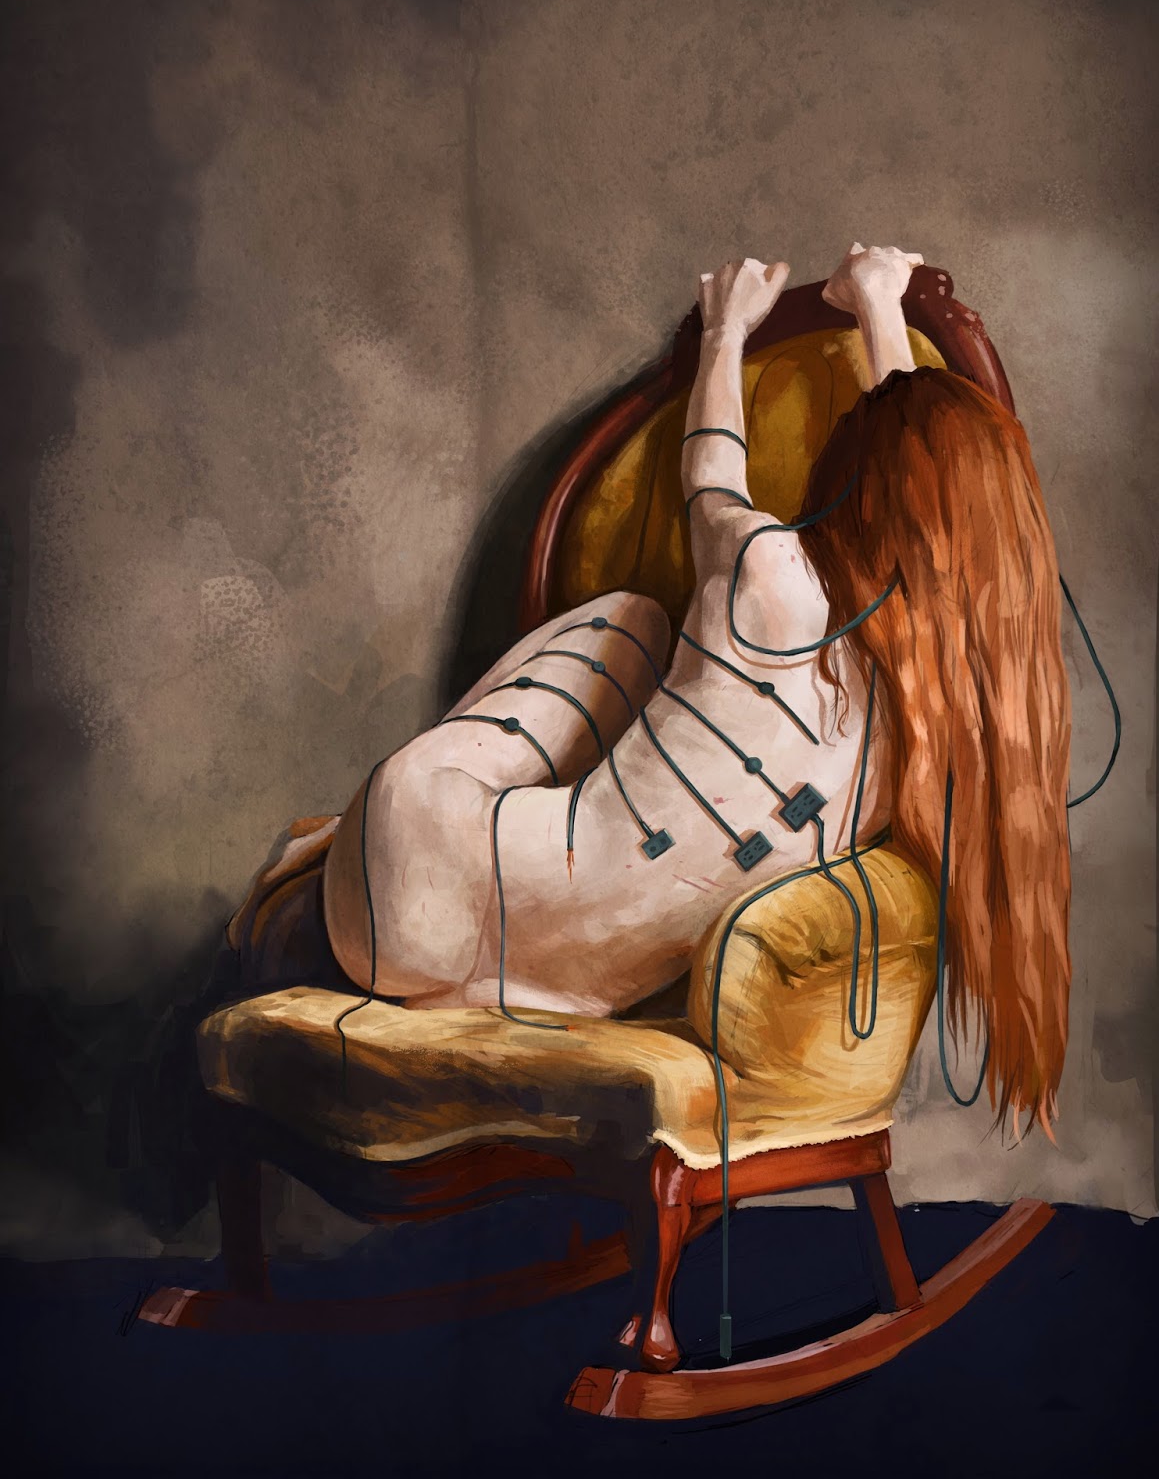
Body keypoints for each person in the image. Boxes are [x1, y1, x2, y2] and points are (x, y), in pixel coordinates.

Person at [322, 243, 1072, 1134]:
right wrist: (879, 305)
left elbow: (712, 475)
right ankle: (353, 859)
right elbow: (936, 494)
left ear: (852, 479)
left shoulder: (770, 573)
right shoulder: (940, 742)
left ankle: (339, 845)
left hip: (407, 893)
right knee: (645, 642)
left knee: (635, 621)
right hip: (564, 982)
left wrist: (726, 332)